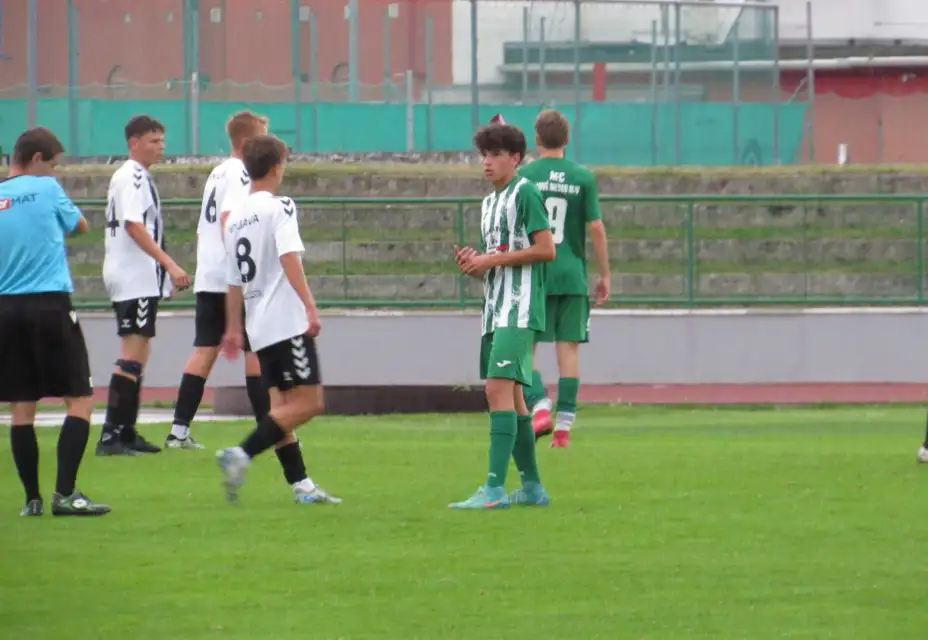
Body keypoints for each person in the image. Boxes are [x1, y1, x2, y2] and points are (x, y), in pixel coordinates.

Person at [215, 134, 340, 506]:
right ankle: (241, 453)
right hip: (285, 321)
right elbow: (289, 256)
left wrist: (234, 328)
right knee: (309, 403)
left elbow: (233, 280)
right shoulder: (279, 206)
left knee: (281, 408)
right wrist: (310, 306)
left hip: (259, 325)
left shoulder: (235, 218)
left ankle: (301, 486)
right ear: (276, 167)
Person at [0, 127, 110, 516]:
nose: (54, 172)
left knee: (22, 406)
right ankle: (65, 493)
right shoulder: (46, 189)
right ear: (35, 159)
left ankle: (31, 498)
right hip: (49, 304)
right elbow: (79, 225)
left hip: (6, 311)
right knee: (79, 397)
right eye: (53, 164)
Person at [449, 120, 555, 510]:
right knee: (513, 397)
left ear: (516, 158)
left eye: (496, 155)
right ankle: (531, 488)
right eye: (484, 155)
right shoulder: (489, 202)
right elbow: (496, 259)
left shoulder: (526, 192)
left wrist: (492, 258)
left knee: (496, 388)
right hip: (494, 309)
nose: (487, 162)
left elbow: (546, 249)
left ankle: (493, 489)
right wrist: (477, 264)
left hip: (521, 307)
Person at [165, 111, 271, 450]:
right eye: (262, 138)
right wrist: (242, 263)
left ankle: (178, 431)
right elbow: (229, 219)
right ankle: (269, 428)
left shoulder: (217, 172)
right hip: (231, 276)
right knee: (256, 348)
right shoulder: (241, 172)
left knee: (204, 350)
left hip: (210, 274)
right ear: (245, 143)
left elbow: (204, 225)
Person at [96, 115, 192, 456]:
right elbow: (134, 225)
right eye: (153, 140)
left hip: (140, 277)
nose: (160, 146)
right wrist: (169, 263)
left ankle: (126, 430)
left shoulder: (138, 176)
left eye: (162, 140)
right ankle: (112, 434)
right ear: (133, 142)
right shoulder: (131, 176)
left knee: (140, 351)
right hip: (133, 275)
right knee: (131, 353)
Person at [516, 109, 610, 448]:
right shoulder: (583, 177)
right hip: (571, 275)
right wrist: (605, 274)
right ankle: (564, 429)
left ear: (537, 139)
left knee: (525, 346)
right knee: (568, 350)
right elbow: (596, 228)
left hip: (536, 271)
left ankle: (539, 403)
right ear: (567, 139)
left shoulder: (524, 176)